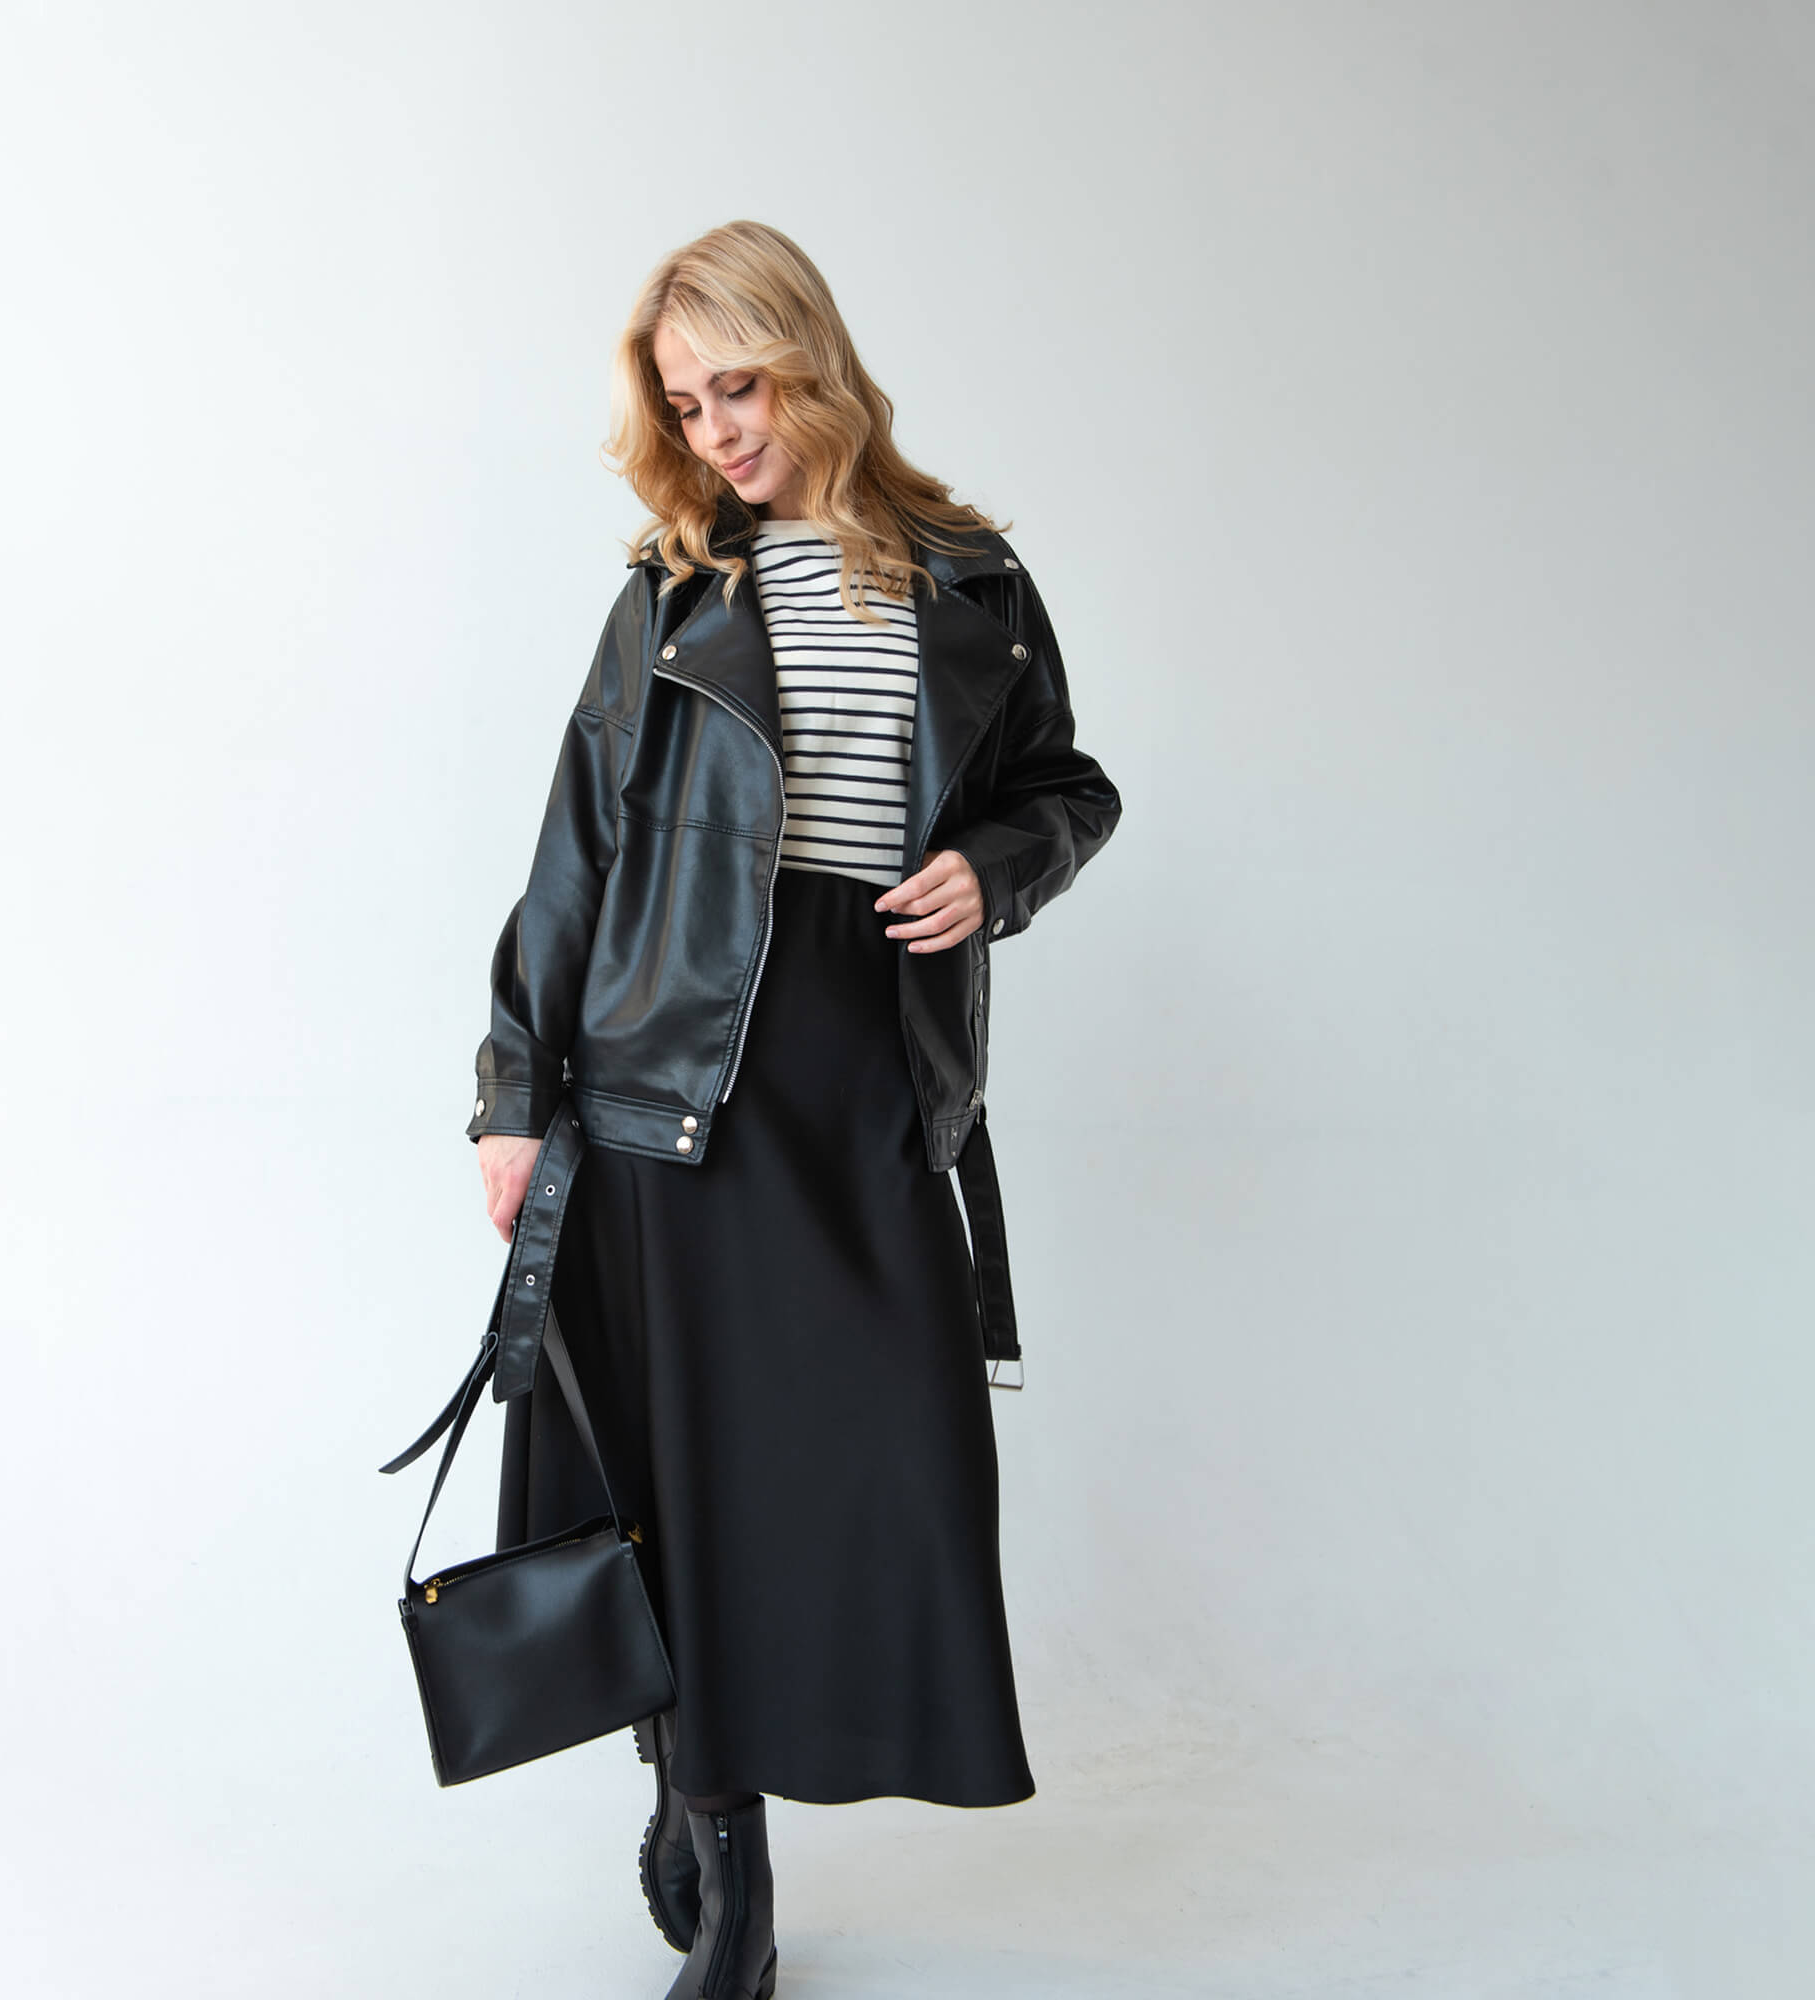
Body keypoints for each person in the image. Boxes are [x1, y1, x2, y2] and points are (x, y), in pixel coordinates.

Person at [465, 219, 1122, 2000]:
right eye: (687, 405)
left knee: (866, 1465)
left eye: (737, 388)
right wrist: (516, 1095)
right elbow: (574, 854)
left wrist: (996, 865)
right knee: (687, 1479)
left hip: (866, 1075)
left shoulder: (970, 579)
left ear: (810, 357)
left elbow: (1070, 784)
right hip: (668, 1084)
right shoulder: (674, 591)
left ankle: (708, 1785)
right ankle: (729, 1859)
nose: (717, 431)